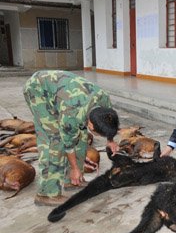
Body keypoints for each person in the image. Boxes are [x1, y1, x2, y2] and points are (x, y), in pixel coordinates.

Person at [23, 70, 120, 206]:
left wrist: (111, 141)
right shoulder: (71, 114)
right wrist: (74, 167)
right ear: (91, 125)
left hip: (62, 92)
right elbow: (68, 144)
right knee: (54, 142)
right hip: (37, 89)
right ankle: (46, 194)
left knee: (81, 137)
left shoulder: (103, 99)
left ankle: (72, 181)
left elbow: (109, 122)